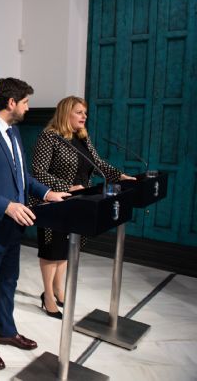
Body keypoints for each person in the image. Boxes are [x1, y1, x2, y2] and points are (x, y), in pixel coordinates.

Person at [0, 78, 70, 370]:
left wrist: (47, 193)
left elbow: (22, 176)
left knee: (8, 283)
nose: (28, 108)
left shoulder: (13, 131)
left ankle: (5, 330)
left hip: (11, 228)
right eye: (25, 102)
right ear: (11, 103)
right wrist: (6, 206)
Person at [30, 96, 135, 318]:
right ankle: (48, 296)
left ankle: (58, 289)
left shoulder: (82, 138)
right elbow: (37, 172)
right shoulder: (49, 137)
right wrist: (67, 187)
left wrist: (120, 176)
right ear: (65, 113)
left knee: (67, 248)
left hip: (79, 203)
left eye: (85, 112)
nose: (84, 116)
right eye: (79, 112)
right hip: (54, 202)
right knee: (52, 250)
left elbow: (99, 164)